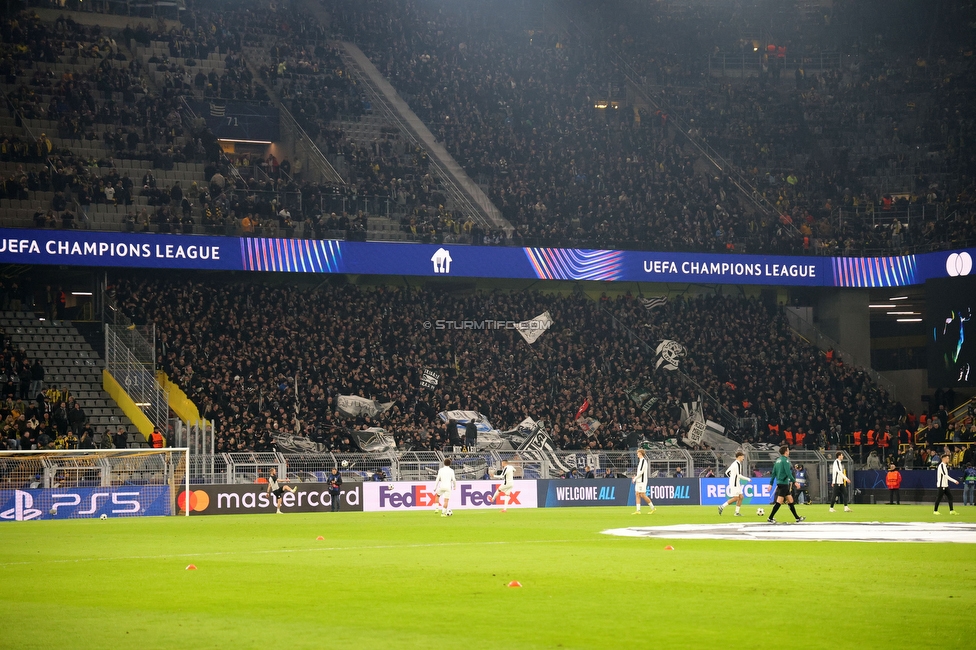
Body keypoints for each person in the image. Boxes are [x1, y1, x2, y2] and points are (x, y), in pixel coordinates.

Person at [768, 446, 805, 524]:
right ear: (786, 452)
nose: (789, 452)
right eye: (788, 450)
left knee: (790, 500)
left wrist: (771, 484)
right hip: (784, 483)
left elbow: (774, 473)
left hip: (780, 482)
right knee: (779, 501)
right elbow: (788, 473)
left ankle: (797, 518)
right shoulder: (786, 461)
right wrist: (795, 482)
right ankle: (770, 517)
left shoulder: (777, 460)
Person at [718, 451, 750, 516]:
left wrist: (732, 478)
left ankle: (737, 512)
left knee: (741, 497)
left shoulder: (734, 463)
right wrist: (748, 479)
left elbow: (727, 472)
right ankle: (722, 506)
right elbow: (739, 475)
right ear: (739, 457)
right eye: (742, 456)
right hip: (735, 483)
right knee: (736, 498)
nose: (743, 458)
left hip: (735, 482)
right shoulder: (737, 464)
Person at [631, 448, 655, 514]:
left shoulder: (643, 461)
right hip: (639, 480)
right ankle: (638, 510)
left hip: (642, 481)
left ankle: (652, 508)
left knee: (642, 495)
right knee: (637, 494)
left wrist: (635, 478)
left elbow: (641, 472)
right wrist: (636, 477)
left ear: (640, 454)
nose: (637, 454)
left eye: (638, 453)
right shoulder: (641, 461)